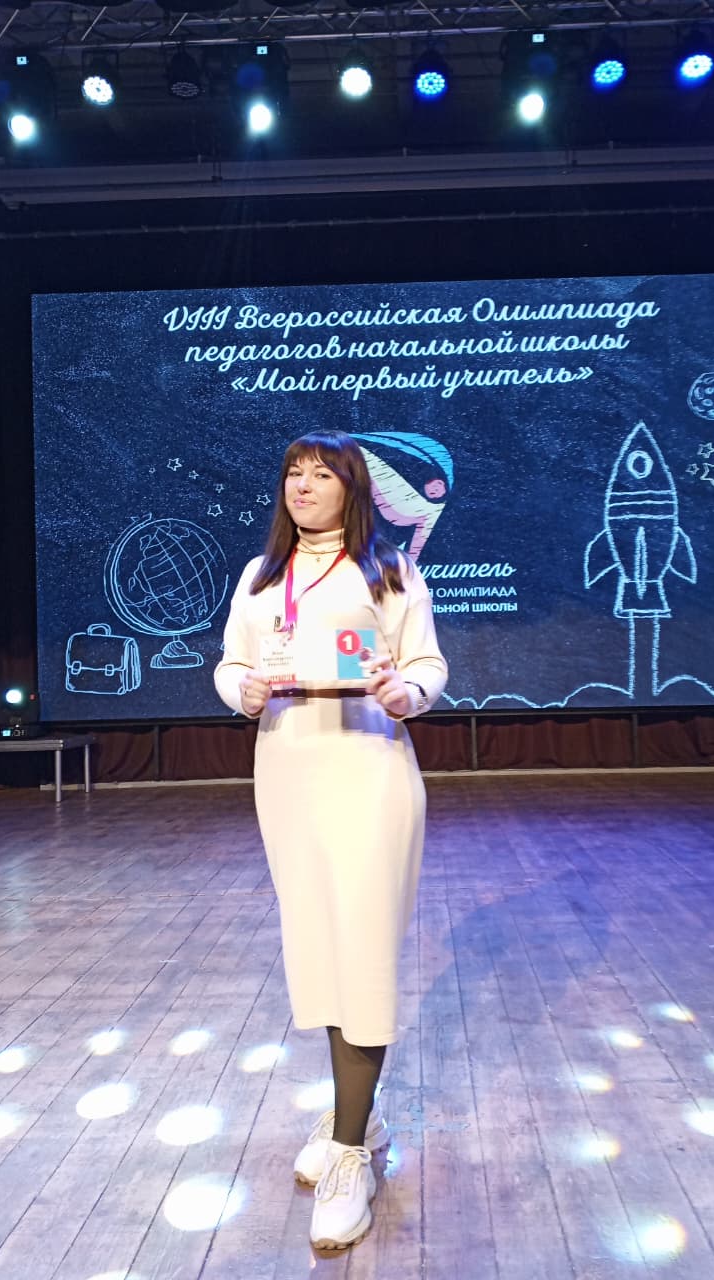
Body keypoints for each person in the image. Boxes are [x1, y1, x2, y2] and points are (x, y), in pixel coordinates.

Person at [214, 429, 448, 1250]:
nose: (302, 485)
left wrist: (404, 690)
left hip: (368, 765)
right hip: (287, 768)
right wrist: (243, 689)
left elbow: (427, 665)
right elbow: (229, 664)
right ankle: (361, 1114)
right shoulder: (260, 574)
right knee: (317, 945)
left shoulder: (390, 570)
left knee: (365, 951)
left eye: (320, 474)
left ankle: (350, 1152)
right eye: (293, 472)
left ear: (353, 489)